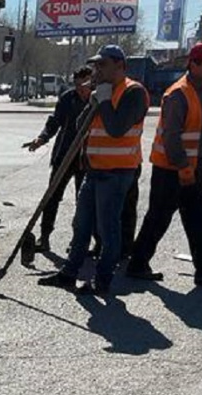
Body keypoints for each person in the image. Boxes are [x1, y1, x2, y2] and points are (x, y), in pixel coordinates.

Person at [38, 45, 149, 296]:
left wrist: (105, 99)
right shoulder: (102, 93)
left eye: (103, 65)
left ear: (120, 66)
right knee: (82, 224)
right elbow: (80, 125)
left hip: (117, 172)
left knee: (107, 228)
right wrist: (94, 101)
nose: (97, 70)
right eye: (96, 65)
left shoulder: (134, 92)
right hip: (94, 169)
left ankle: (102, 280)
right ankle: (68, 274)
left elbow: (116, 128)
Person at [125, 42, 202, 286]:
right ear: (194, 64)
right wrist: (183, 167)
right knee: (159, 216)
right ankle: (137, 263)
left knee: (199, 216)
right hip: (172, 167)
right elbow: (171, 136)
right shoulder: (178, 93)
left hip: (193, 164)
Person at [25, 65, 93, 253]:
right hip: (64, 156)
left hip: (86, 160)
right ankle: (44, 237)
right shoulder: (67, 99)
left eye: (85, 84)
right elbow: (54, 122)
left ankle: (79, 242)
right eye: (78, 84)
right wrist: (42, 138)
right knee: (52, 197)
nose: (81, 88)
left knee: (84, 203)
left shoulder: (98, 100)